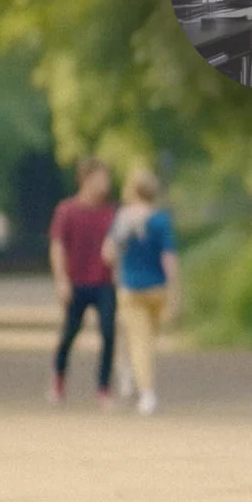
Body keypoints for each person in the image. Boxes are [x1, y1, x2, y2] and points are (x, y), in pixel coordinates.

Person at [102, 167, 179, 416]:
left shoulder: (123, 218)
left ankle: (142, 387)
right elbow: (168, 259)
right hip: (158, 289)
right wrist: (175, 289)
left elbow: (108, 254)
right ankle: (145, 387)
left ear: (132, 191)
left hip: (131, 288)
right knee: (147, 341)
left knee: (139, 342)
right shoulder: (161, 220)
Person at [48, 157, 118, 408]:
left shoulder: (112, 212)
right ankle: (58, 377)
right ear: (85, 180)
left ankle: (103, 387)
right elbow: (57, 247)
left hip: (104, 283)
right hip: (76, 281)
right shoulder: (66, 210)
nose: (105, 183)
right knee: (69, 333)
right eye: (101, 178)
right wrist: (61, 280)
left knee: (109, 333)